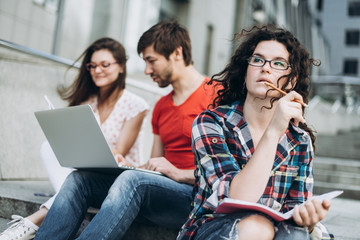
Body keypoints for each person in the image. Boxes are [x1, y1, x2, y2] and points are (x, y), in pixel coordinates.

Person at [33, 20, 215, 240]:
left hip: (196, 198)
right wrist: (126, 166)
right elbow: (155, 166)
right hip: (158, 194)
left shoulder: (217, 96)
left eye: (151, 61)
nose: (147, 70)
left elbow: (231, 172)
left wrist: (178, 173)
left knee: (132, 180)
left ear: (177, 53)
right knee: (79, 179)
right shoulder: (162, 106)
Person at [177, 25, 334, 240]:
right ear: (246, 70)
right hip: (215, 228)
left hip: (275, 230)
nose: (266, 68)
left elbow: (294, 209)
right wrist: (274, 130)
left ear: (292, 80)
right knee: (257, 227)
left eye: (278, 63)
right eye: (257, 60)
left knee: (295, 235)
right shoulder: (211, 123)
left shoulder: (300, 141)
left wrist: (308, 217)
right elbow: (238, 197)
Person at [0, 37, 149, 240]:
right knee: (48, 146)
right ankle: (73, 214)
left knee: (78, 179)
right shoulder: (87, 101)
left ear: (121, 66)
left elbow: (119, 152)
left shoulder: (135, 104)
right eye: (92, 66)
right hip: (83, 170)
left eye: (105, 65)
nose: (97, 70)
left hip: (116, 178)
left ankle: (32, 221)